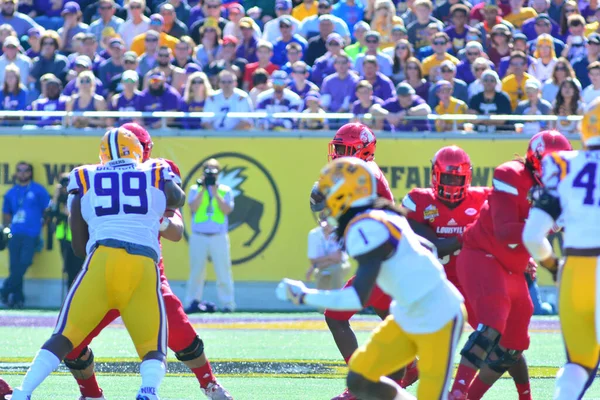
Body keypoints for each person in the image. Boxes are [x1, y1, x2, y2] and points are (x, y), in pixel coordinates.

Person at [10, 128, 186, 400]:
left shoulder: (84, 176)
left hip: (101, 261)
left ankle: (23, 392)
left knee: (64, 336)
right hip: (142, 264)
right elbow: (177, 199)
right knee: (153, 346)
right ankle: (148, 391)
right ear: (137, 151)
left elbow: (79, 246)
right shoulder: (155, 170)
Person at [60, 123, 233, 400]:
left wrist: (158, 219)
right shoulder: (94, 175)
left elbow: (176, 231)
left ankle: (209, 383)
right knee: (69, 340)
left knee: (181, 334)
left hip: (145, 275)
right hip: (103, 272)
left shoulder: (157, 172)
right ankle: (91, 394)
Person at [278, 156, 465, 400]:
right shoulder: (382, 214)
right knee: (360, 378)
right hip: (408, 313)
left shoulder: (364, 227)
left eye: (329, 201)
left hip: (439, 317)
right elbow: (428, 247)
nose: (326, 214)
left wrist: (304, 295)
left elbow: (357, 298)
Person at [449, 130, 572, 400]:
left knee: (513, 345)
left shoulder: (561, 186)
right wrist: (550, 225)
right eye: (551, 163)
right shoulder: (511, 174)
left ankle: (472, 396)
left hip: (512, 266)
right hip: (483, 254)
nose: (556, 171)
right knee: (492, 324)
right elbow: (505, 231)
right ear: (535, 159)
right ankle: (455, 393)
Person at [311, 123, 415, 400]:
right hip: (386, 260)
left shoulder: (366, 173)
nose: (339, 155)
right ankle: (409, 368)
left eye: (346, 150)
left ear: (364, 151)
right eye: (338, 149)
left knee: (335, 316)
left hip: (385, 263)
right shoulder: (363, 172)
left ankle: (361, 383)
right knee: (389, 320)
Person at [522, 99, 600, 400]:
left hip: (575, 270)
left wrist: (553, 264)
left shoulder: (561, 164)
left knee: (577, 365)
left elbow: (532, 235)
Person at [402, 146, 490, 332]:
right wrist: (470, 232)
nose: (452, 184)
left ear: (468, 178)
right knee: (423, 336)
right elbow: (438, 247)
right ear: (435, 175)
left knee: (496, 339)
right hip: (435, 284)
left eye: (457, 178)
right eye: (447, 177)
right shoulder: (419, 201)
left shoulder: (483, 199)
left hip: (472, 283)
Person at [185, 158, 236, 313]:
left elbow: (227, 210)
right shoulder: (195, 189)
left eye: (214, 170)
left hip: (218, 236)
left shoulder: (225, 190)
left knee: (223, 271)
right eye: (207, 170)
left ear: (219, 173)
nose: (210, 174)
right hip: (199, 236)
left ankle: (228, 304)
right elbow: (193, 207)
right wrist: (203, 189)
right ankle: (192, 302)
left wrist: (215, 192)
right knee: (196, 271)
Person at [0, 161, 50, 309]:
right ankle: (17, 299)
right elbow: (6, 212)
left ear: (30, 172)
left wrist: (40, 225)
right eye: (19, 170)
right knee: (15, 267)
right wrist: (7, 228)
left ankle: (4, 290)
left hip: (31, 233)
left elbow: (46, 210)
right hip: (15, 233)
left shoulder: (38, 190)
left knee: (25, 262)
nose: (22, 173)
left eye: (26, 170)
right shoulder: (11, 192)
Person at [49, 173, 84, 289]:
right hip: (63, 237)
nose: (65, 189)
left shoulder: (78, 197)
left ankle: (76, 292)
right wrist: (56, 196)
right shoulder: (58, 199)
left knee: (78, 266)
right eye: (63, 186)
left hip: (76, 236)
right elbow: (51, 213)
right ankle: (70, 292)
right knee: (68, 267)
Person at [306, 212, 350, 290]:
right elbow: (313, 260)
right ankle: (322, 299)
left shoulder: (339, 232)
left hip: (341, 264)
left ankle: (337, 297)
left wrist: (317, 265)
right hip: (322, 266)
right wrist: (329, 257)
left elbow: (338, 258)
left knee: (336, 269)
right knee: (320, 274)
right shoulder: (313, 234)